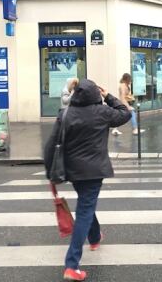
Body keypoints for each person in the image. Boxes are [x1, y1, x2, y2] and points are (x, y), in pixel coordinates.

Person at [45, 79, 131, 281]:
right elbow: (125, 113)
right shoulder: (102, 112)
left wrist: (50, 173)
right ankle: (71, 264)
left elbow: (51, 145)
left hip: (73, 171)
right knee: (85, 210)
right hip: (94, 171)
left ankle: (95, 237)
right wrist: (108, 96)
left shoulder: (65, 113)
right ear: (95, 94)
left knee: (86, 203)